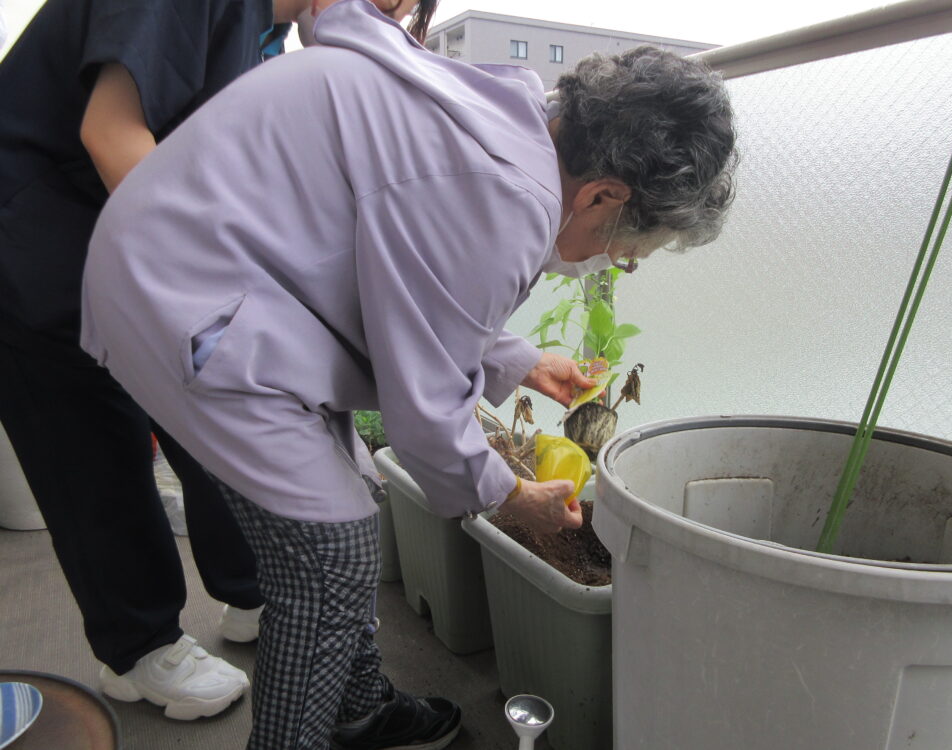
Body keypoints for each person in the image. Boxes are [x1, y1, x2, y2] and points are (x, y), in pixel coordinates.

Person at [80, 0, 737, 747]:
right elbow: (426, 415)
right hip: (186, 295)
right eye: (625, 246)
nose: (608, 260)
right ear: (605, 195)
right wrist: (512, 496)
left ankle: (358, 709)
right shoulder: (506, 195)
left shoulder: (500, 124)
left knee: (353, 494)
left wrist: (519, 361)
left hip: (235, 281)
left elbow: (404, 284)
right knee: (332, 559)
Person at [0, 0, 437, 721]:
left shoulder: (262, 37)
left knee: (215, 410)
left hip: (121, 236)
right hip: (38, 239)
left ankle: (253, 592)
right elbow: (111, 135)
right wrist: (231, 291)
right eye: (385, 2)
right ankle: (139, 649)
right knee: (92, 450)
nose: (380, 19)